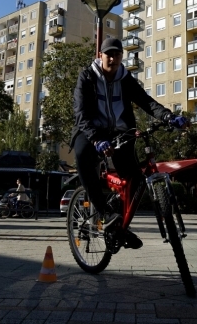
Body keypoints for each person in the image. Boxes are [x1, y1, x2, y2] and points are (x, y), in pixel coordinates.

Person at [71, 37, 188, 250]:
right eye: (109, 54)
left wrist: (169, 117)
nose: (113, 58)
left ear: (121, 57)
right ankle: (105, 214)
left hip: (119, 133)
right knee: (82, 157)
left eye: (117, 54)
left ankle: (121, 227)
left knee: (134, 177)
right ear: (101, 56)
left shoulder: (126, 79)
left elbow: (147, 102)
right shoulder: (87, 77)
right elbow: (80, 113)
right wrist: (96, 139)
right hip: (91, 132)